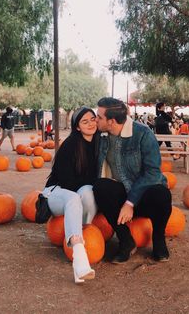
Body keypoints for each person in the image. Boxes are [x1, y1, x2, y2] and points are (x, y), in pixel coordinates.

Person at [93, 97, 172, 264]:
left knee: (162, 194)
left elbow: (152, 172)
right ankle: (126, 241)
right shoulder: (101, 135)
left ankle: (158, 239)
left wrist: (130, 202)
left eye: (99, 117)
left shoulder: (143, 134)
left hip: (144, 194)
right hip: (121, 193)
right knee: (100, 187)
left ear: (111, 121)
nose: (95, 119)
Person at [42, 106, 98, 283]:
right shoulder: (71, 145)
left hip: (78, 197)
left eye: (93, 119)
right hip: (57, 193)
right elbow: (66, 183)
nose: (90, 123)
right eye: (84, 121)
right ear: (77, 127)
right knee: (75, 196)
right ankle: (80, 255)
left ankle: (79, 260)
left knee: (89, 191)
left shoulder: (100, 143)